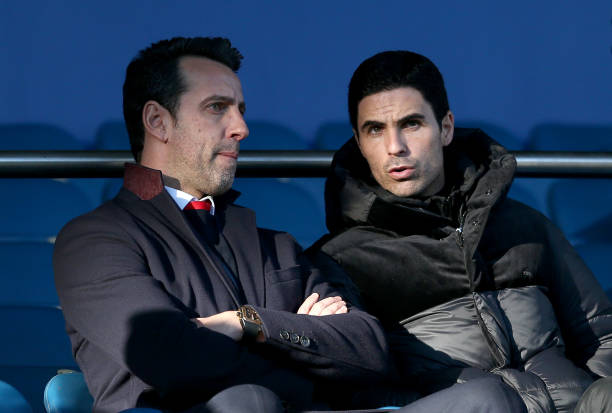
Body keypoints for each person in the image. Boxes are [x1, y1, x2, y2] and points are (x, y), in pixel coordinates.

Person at [53, 38, 525, 413]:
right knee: (245, 402)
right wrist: (305, 349)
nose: (241, 128)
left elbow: (368, 349)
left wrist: (250, 323)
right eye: (218, 107)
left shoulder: (273, 244)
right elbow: (171, 355)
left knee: (489, 398)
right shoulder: (94, 239)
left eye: (239, 108)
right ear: (158, 121)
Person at [312, 50, 612, 413]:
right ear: (360, 144)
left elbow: (602, 336)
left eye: (411, 124)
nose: (395, 148)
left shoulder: (525, 225)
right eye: (375, 130)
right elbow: (361, 392)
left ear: (446, 128)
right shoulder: (340, 262)